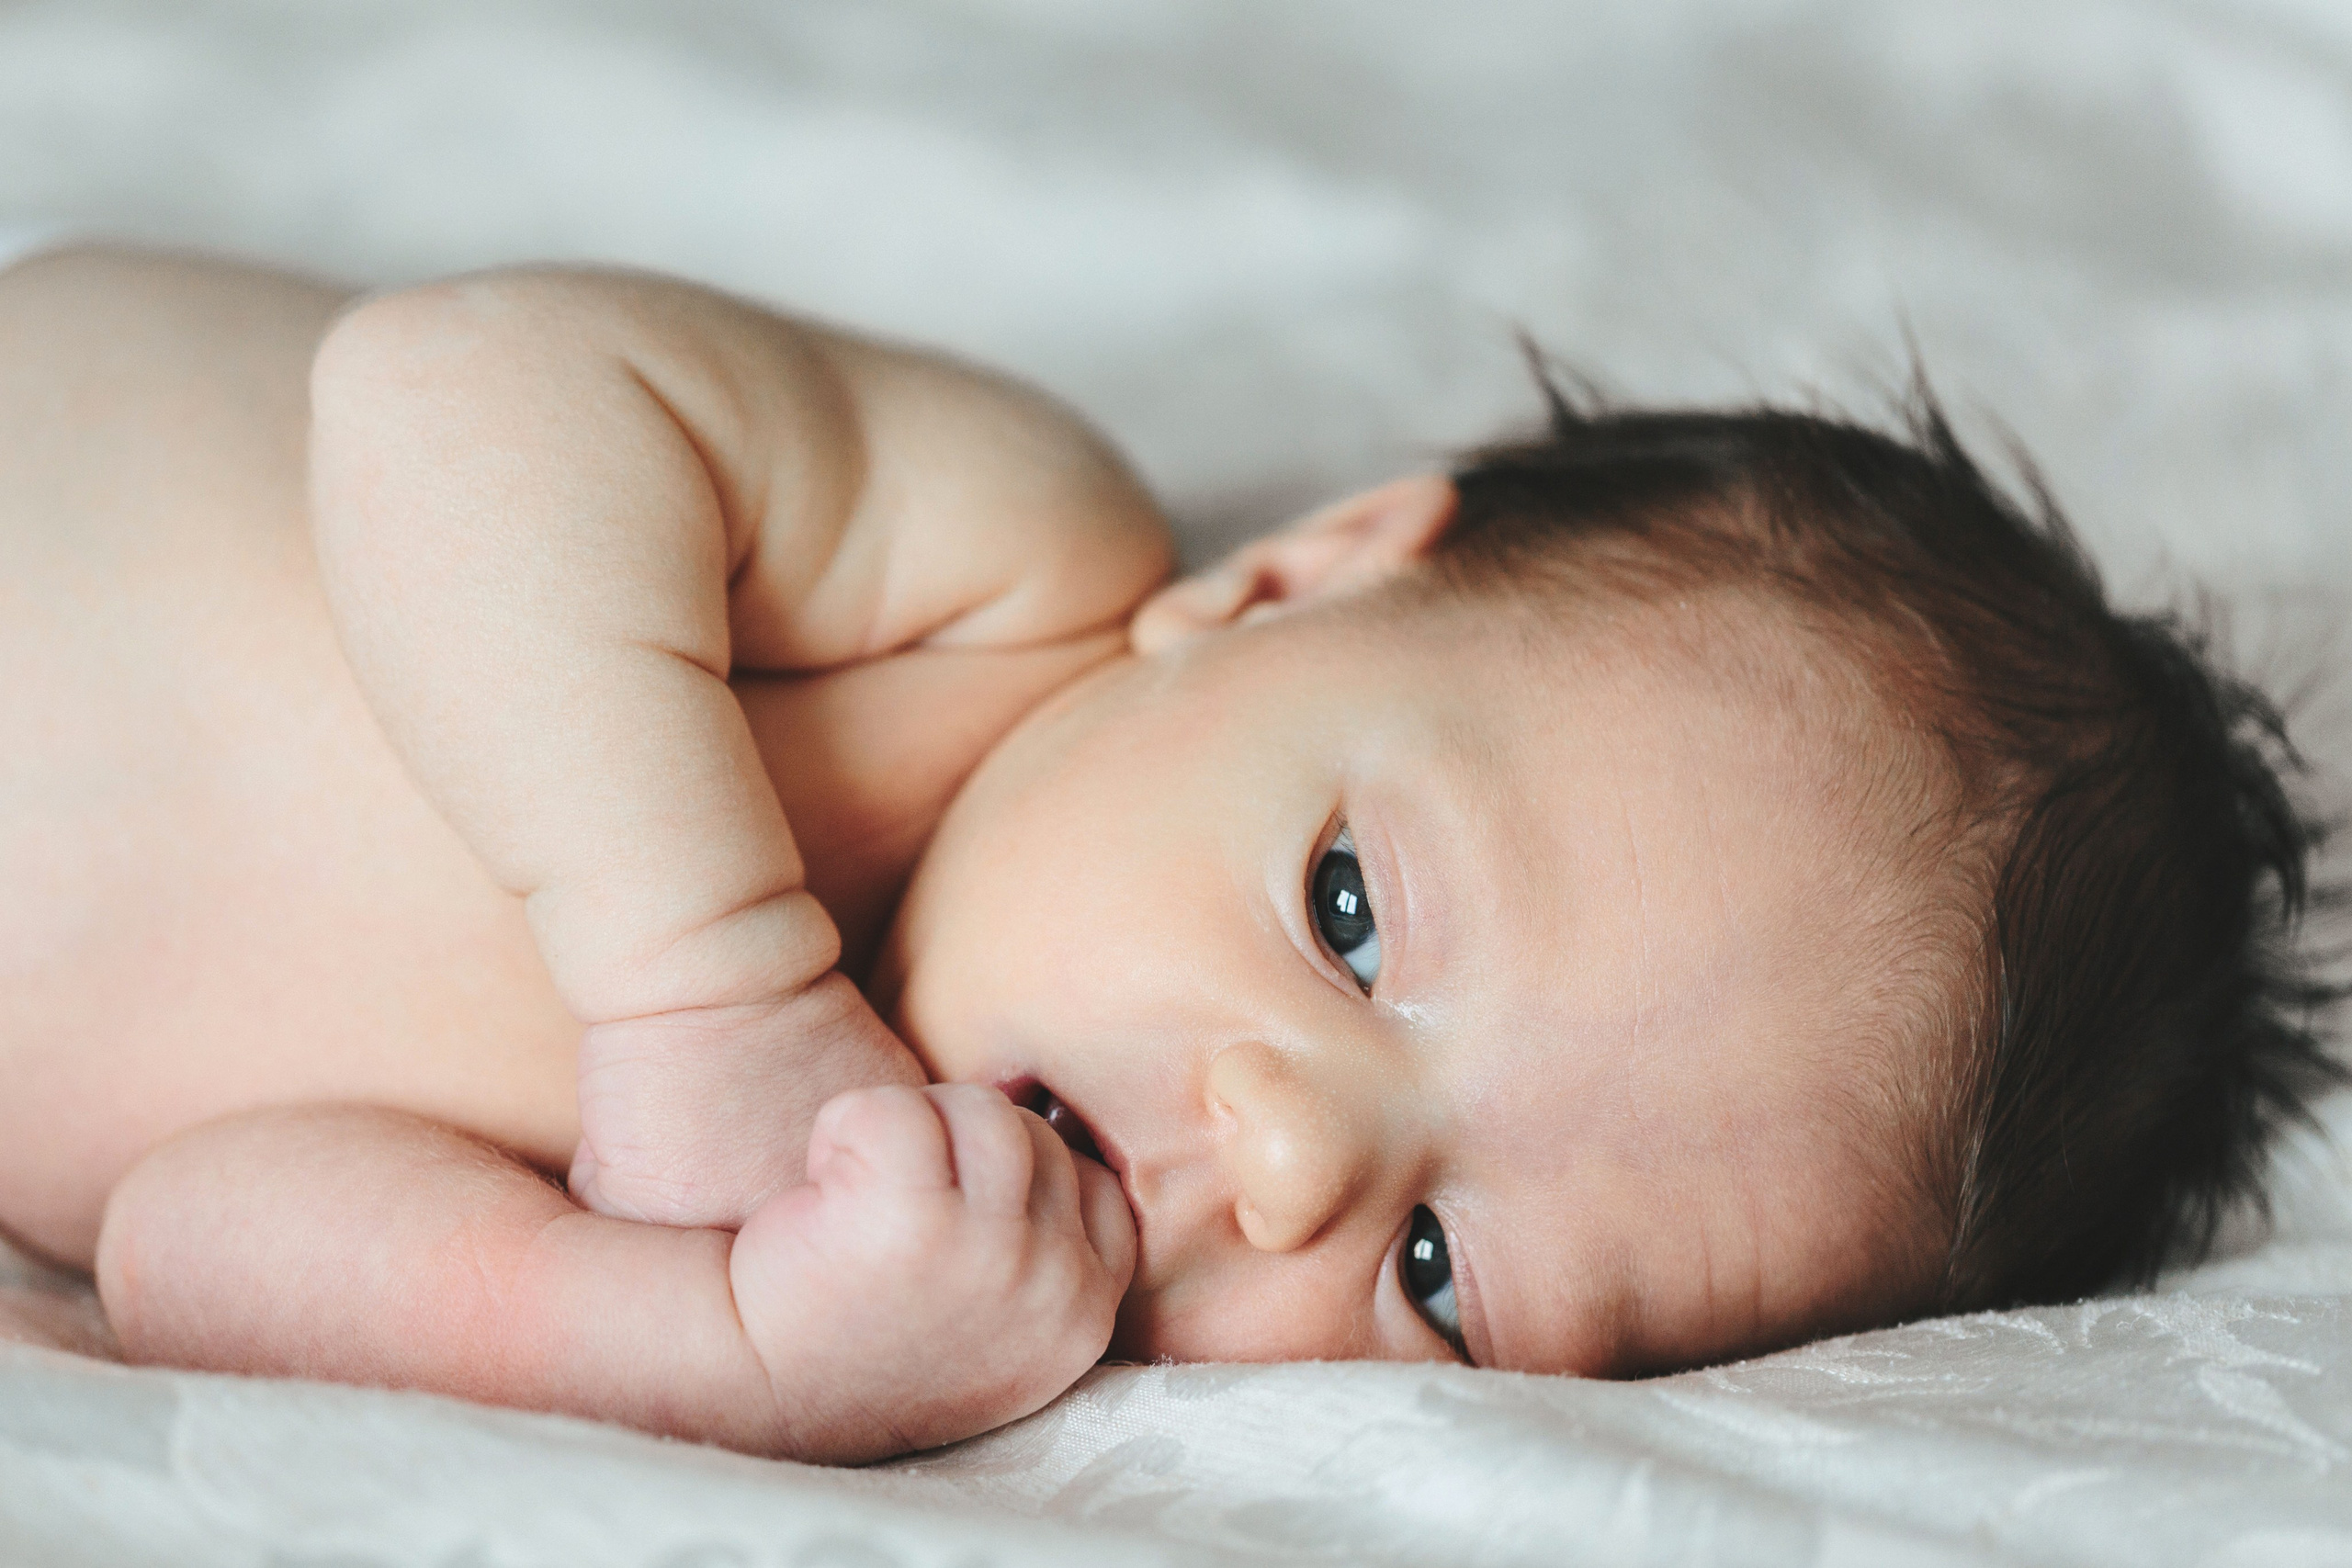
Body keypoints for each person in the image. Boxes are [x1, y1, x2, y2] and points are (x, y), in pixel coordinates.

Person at [0, 243, 2337, 1462]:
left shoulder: (780, 1235)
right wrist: (699, 980)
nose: (1287, 1151)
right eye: (1344, 910)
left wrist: (713, 1347)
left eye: (1437, 1270)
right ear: (1281, 585)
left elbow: (183, 1242)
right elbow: (446, 394)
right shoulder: (1007, 564)